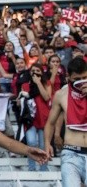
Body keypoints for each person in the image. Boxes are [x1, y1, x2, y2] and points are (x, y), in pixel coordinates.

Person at [44, 57, 87, 186]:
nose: (81, 82)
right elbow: (50, 123)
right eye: (76, 79)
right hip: (71, 153)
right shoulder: (61, 94)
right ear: (68, 77)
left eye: (84, 78)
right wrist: (47, 144)